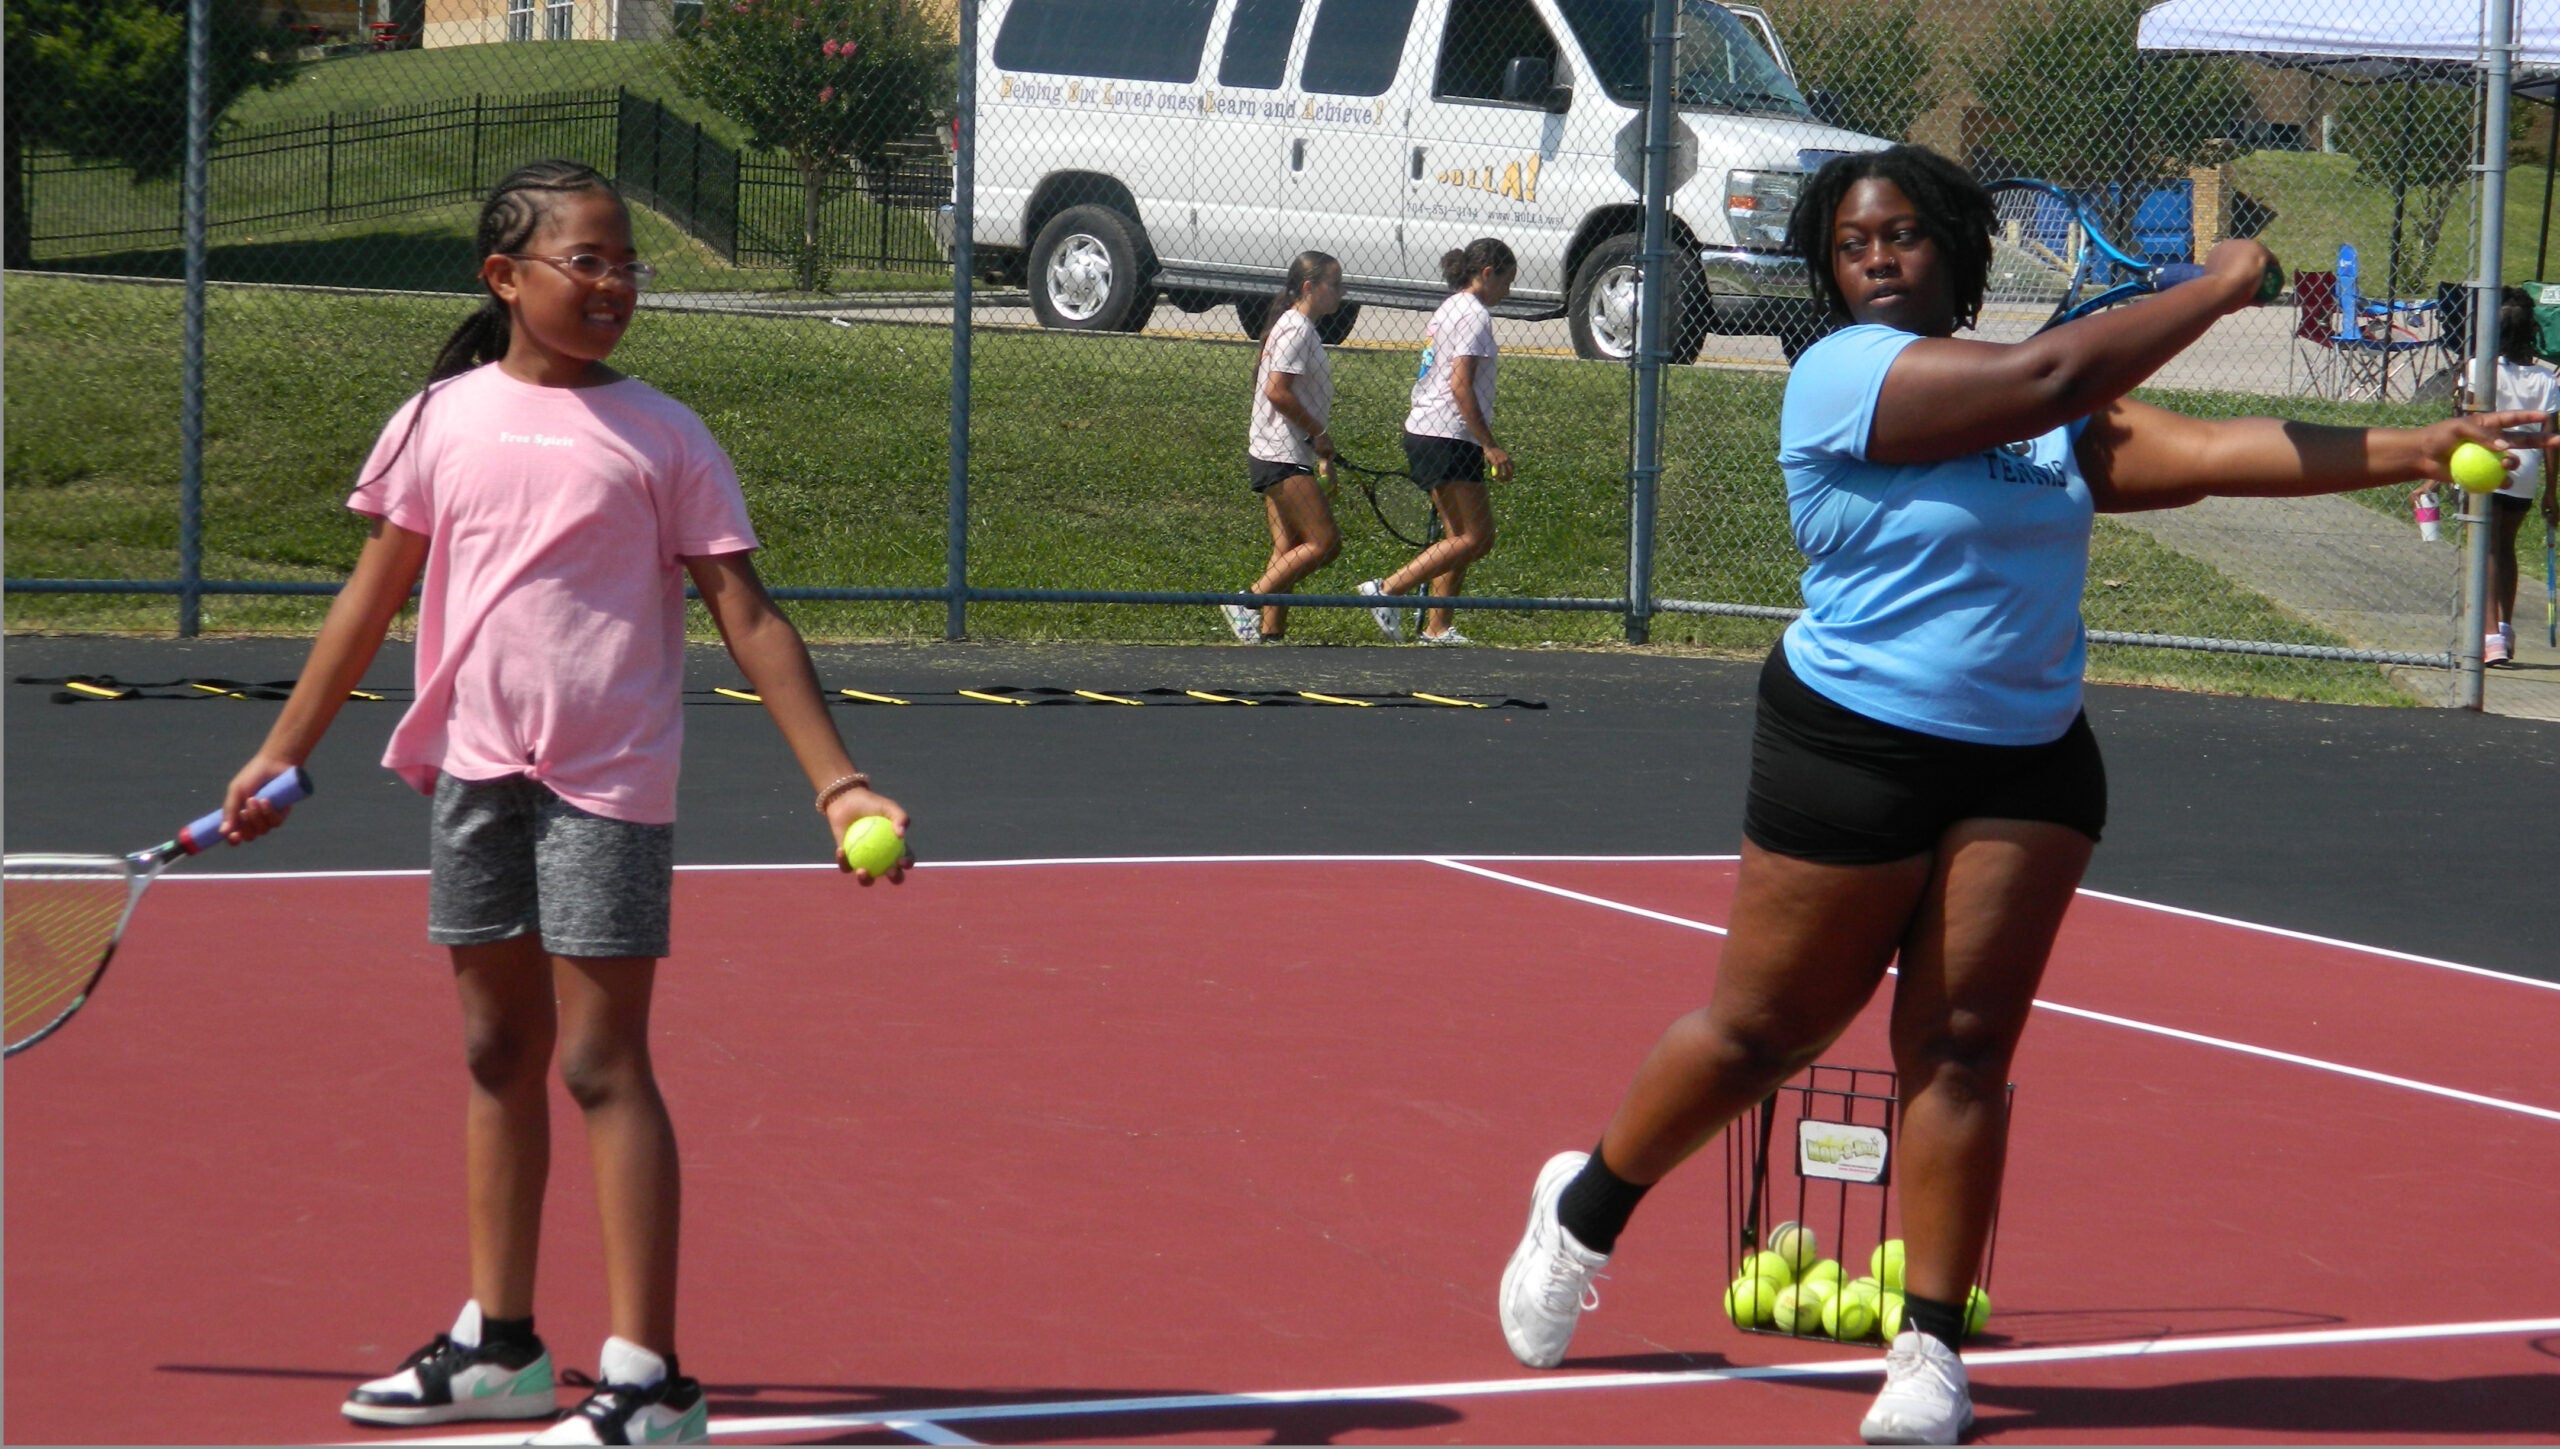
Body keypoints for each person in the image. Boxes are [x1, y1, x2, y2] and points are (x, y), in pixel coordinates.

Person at [1491, 144, 2542, 1447]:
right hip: (1852, 747)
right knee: (1766, 1032)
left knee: (1962, 1048)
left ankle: (1928, 1348)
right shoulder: (1839, 380)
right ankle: (1582, 1208)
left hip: (2027, 760)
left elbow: (2211, 450)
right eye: (1854, 243)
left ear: (1953, 253)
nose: (1878, 256)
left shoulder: (2053, 422)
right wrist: (2218, 287)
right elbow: (2050, 370)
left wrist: (2418, 446)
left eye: (1905, 237)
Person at [217, 159, 910, 1447]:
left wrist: (838, 779)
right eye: (584, 261)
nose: (613, 284)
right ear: (507, 277)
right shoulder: (438, 421)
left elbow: (745, 614)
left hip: (605, 786)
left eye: (626, 263)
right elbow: (367, 603)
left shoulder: (663, 435)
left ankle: (649, 1381)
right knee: (495, 1056)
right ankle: (504, 1347)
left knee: (600, 1062)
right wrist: (281, 753)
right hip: (477, 772)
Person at [1357, 237, 1515, 645]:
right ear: (1486, 274)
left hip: (1434, 430)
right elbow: (1460, 385)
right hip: (1446, 434)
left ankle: (1437, 627)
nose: (1508, 292)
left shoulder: (1451, 308)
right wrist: (1489, 444)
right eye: (1506, 281)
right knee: (1476, 538)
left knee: (1457, 539)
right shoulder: (1473, 314)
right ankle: (1387, 590)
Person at [1225, 252, 1346, 644]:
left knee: (1289, 546)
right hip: (1281, 454)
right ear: (1310, 287)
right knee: (1325, 543)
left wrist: (1318, 451)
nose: (1342, 293)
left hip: (1281, 450)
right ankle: (1247, 602)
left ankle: (1270, 636)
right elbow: (1278, 391)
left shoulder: (1294, 326)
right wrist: (1318, 434)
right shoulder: (1296, 329)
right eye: (1335, 284)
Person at [2476, 287, 2558, 665]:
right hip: (2525, 472)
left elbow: (2465, 423)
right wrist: (2550, 492)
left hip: (2486, 464)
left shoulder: (2480, 368)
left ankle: (2490, 634)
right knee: (2506, 546)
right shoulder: (2545, 381)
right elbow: (2550, 442)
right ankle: (2505, 627)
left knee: (2487, 548)